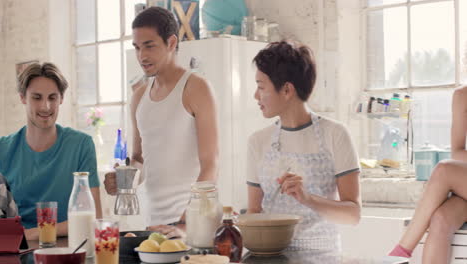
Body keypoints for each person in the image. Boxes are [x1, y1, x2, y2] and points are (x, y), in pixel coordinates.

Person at [104, 7, 219, 236]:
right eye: (137, 47)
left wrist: (189, 218)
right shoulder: (139, 97)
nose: (141, 56)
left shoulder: (196, 88)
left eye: (149, 45)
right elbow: (139, 160)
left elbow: (211, 163)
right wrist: (121, 181)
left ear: (171, 42)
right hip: (152, 224)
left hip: (192, 224)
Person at [246, 41, 361, 254]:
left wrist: (308, 199)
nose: (256, 95)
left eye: (261, 87)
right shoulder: (258, 142)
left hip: (322, 258)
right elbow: (254, 210)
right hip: (270, 257)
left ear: (287, 90)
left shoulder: (335, 134)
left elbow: (353, 215)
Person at [0, 62, 102, 240]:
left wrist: (34, 233)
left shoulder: (81, 145)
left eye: (52, 98)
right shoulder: (2, 149)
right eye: (37, 97)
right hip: (17, 253)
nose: (45, 107)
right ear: (23, 97)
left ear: (61, 98)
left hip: (69, 249)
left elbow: (93, 218)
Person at [389, 86, 467, 263]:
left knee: (444, 170)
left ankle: (400, 252)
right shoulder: (462, 96)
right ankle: (399, 254)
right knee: (440, 219)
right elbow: (457, 152)